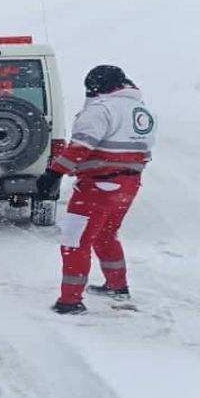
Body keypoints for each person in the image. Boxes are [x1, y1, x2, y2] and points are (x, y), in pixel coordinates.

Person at [36, 64, 157, 314]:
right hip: (129, 185)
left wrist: (54, 173)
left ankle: (70, 302)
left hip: (97, 186)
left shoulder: (101, 109)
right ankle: (117, 286)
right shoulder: (141, 111)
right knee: (106, 235)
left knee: (75, 241)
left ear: (96, 86)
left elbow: (81, 146)